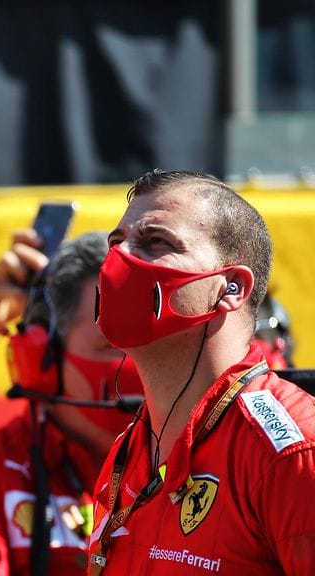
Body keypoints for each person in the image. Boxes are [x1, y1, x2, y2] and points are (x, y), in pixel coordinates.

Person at [87, 169, 315, 575]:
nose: (119, 259)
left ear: (231, 287)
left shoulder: (290, 454)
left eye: (155, 242)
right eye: (116, 243)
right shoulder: (129, 450)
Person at [0, 231, 143, 576]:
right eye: (113, 345)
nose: (144, 366)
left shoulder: (203, 459)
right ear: (41, 361)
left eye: (153, 344)